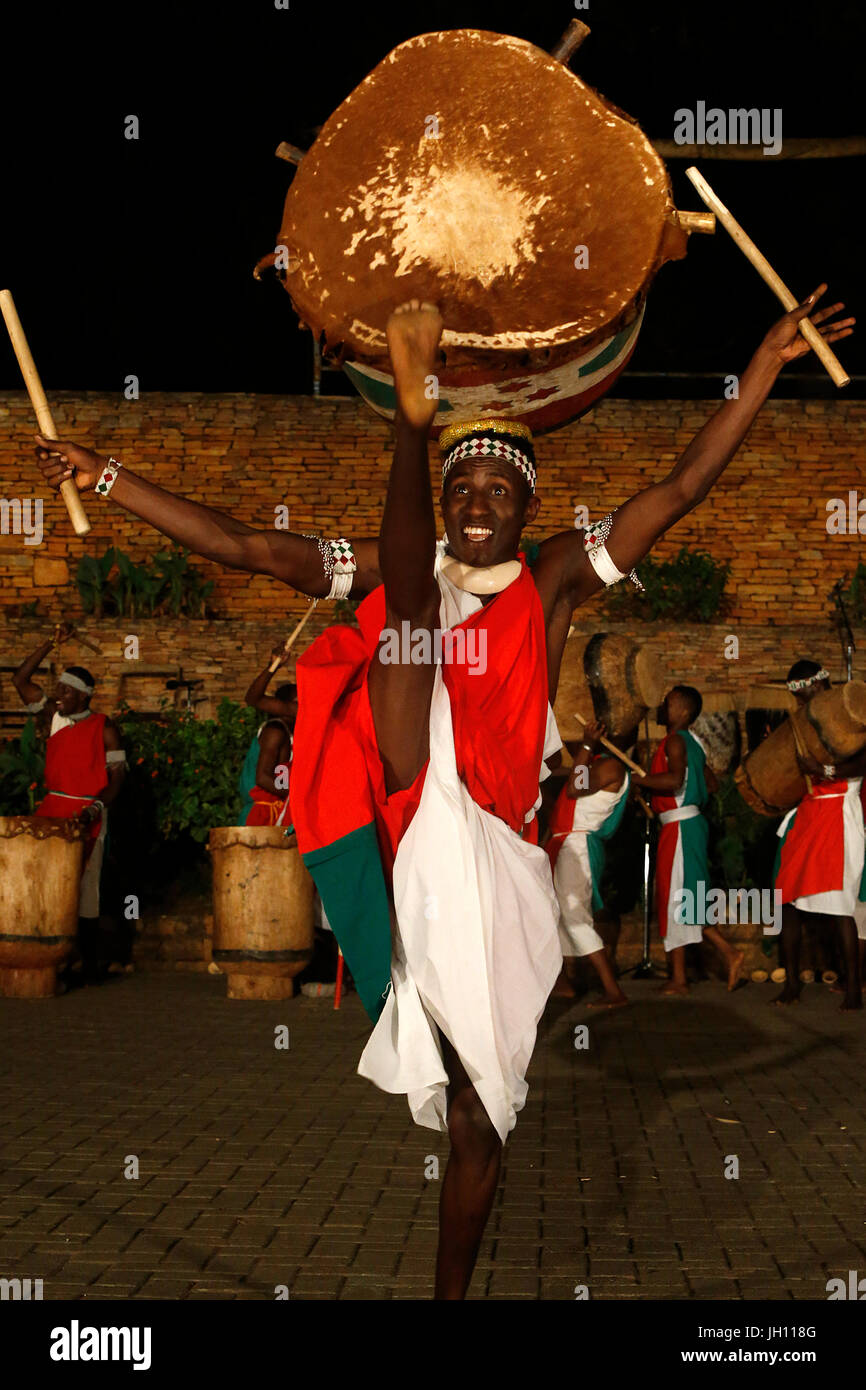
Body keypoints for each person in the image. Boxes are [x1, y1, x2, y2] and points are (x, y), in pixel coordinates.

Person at [32, 286, 852, 1298]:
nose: (475, 504)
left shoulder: (551, 577)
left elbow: (677, 488)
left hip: (497, 855)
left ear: (525, 509)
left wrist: (765, 363)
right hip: (410, 788)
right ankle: (410, 425)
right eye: (459, 483)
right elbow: (247, 546)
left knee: (480, 1118)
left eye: (494, 492)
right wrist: (106, 475)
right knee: (405, 605)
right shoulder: (408, 564)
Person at [12, 628, 127, 982]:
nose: (58, 695)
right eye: (58, 690)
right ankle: (49, 955)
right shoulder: (52, 716)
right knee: (46, 881)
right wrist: (51, 642)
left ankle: (89, 964)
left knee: (85, 886)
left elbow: (118, 776)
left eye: (65, 691)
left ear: (82, 696)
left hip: (87, 812)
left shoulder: (104, 727)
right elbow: (20, 679)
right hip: (52, 811)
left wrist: (96, 808)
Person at [772, 660, 866, 1010]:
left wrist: (824, 769)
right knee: (786, 901)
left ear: (820, 683)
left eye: (803, 690)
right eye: (794, 693)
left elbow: (862, 762)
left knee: (841, 905)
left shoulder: (850, 710)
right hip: (808, 813)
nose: (799, 699)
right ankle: (792, 984)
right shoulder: (801, 720)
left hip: (839, 811)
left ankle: (855, 991)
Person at [639, 685, 745, 995]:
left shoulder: (674, 741)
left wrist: (641, 779)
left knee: (676, 898)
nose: (662, 707)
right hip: (690, 823)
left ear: (683, 712)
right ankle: (725, 955)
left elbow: (673, 780)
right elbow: (710, 783)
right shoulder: (695, 744)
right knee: (686, 897)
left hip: (681, 826)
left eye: (668, 703)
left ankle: (681, 978)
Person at [545, 719, 630, 1008]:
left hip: (578, 845)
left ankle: (613, 990)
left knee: (573, 916)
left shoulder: (611, 766)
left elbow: (575, 787)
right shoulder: (599, 763)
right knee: (558, 913)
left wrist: (586, 744)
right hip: (568, 842)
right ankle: (564, 982)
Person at [237, 643, 297, 826]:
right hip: (261, 814)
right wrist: (273, 666)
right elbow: (262, 778)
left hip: (278, 810)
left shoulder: (291, 733)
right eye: (298, 702)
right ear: (284, 707)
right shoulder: (275, 731)